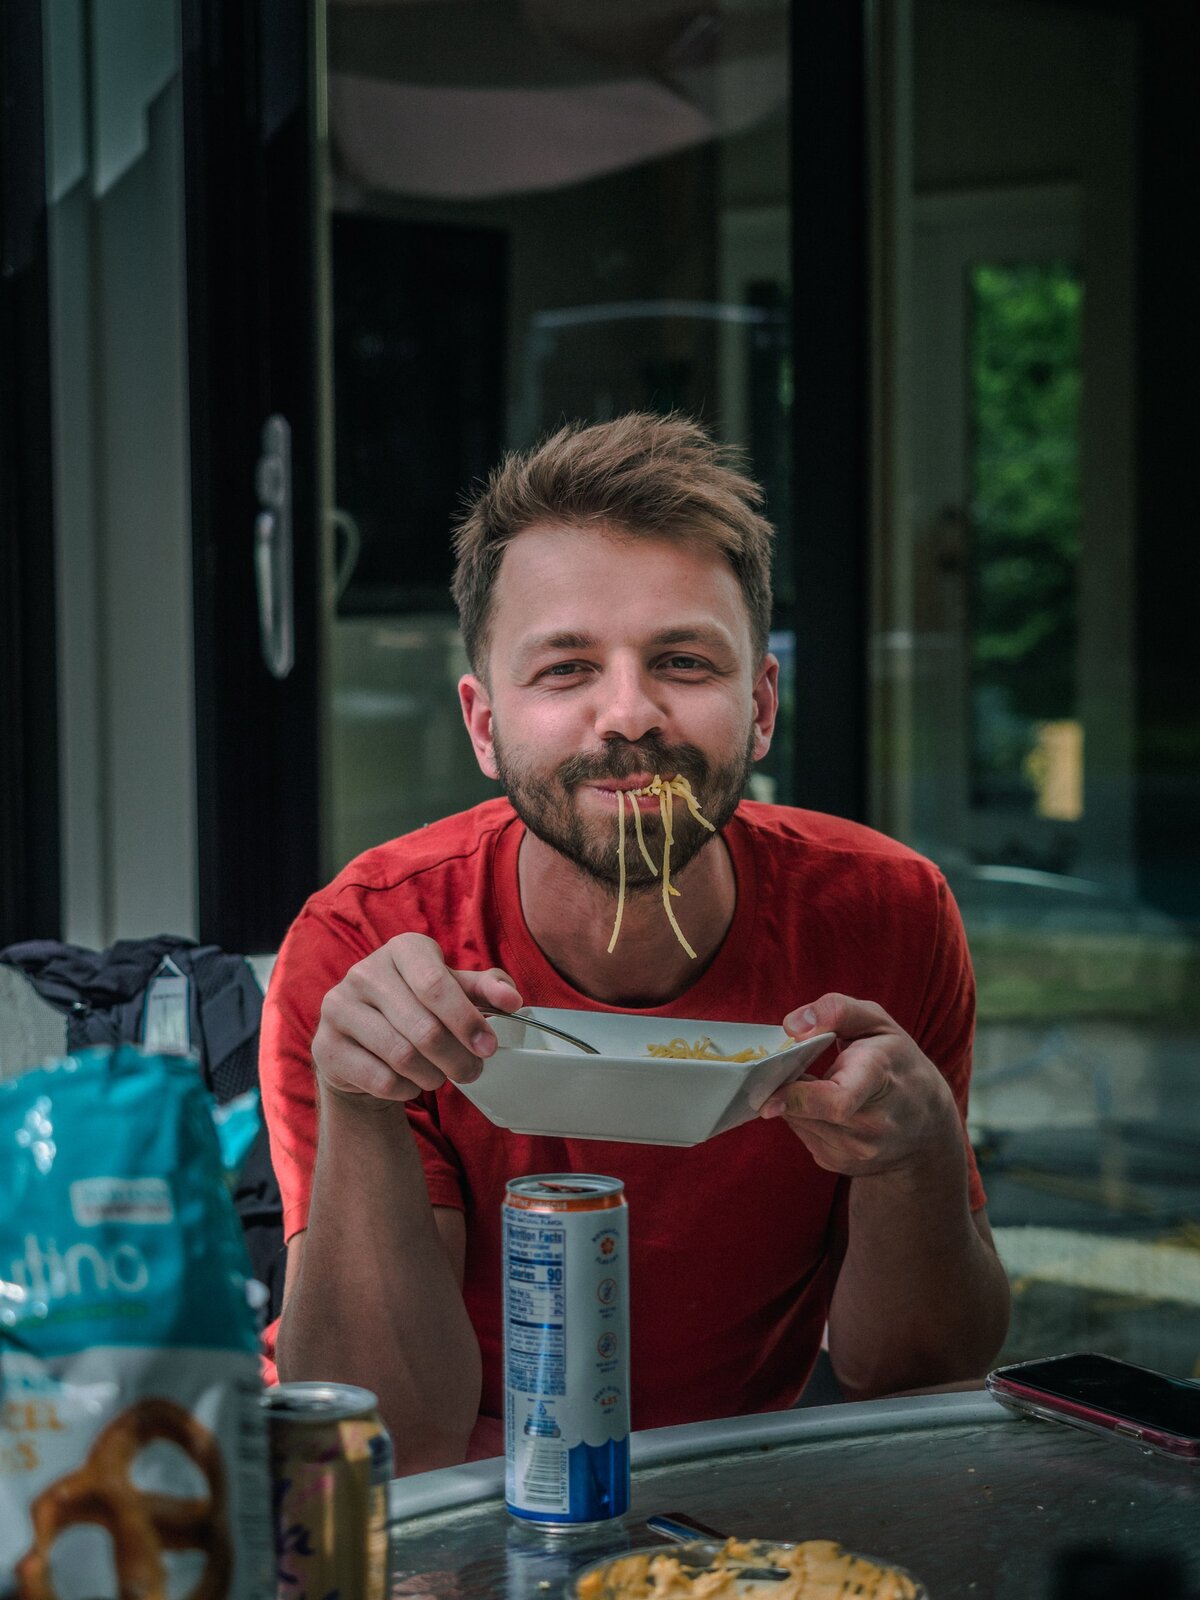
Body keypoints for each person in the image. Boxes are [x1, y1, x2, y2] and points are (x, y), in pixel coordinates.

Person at [261, 412, 1011, 1474]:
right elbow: (386, 1436)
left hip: (745, 1483)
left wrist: (915, 1157)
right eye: (566, 669)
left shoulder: (888, 915)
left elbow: (916, 1371)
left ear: (761, 707)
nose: (629, 715)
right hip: (454, 1488)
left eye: (683, 660)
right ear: (484, 725)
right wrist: (359, 1100)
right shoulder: (365, 944)